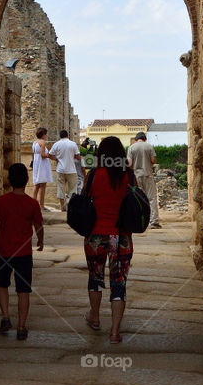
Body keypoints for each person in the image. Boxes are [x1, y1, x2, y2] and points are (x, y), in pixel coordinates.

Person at [82, 135, 135, 343]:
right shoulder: (128, 176)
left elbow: (84, 198)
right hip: (121, 237)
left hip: (96, 235)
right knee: (118, 282)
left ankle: (94, 316)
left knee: (95, 278)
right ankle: (114, 331)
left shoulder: (94, 174)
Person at [0, 162, 44, 340]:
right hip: (24, 253)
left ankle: (5, 316)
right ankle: (21, 326)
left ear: (9, 180)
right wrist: (40, 240)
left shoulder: (2, 201)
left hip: (5, 251)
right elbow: (38, 226)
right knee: (23, 290)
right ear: (26, 180)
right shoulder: (32, 204)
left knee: (2, 284)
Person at [128, 131, 161, 229]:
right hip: (147, 175)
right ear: (144, 138)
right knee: (151, 198)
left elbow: (129, 164)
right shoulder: (149, 146)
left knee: (137, 198)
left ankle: (137, 220)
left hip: (136, 176)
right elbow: (153, 160)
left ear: (136, 139)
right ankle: (154, 221)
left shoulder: (131, 148)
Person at [48, 129, 81, 211]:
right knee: (73, 189)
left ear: (60, 136)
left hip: (60, 169)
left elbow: (49, 155)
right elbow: (78, 157)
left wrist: (56, 159)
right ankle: (71, 207)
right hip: (71, 170)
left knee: (61, 188)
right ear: (67, 135)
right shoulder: (73, 144)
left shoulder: (56, 144)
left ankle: (62, 207)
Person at [31, 126, 53, 209]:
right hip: (42, 164)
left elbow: (33, 154)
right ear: (43, 134)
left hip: (36, 163)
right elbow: (43, 155)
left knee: (37, 185)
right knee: (43, 185)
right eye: (45, 134)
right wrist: (50, 155)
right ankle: (41, 205)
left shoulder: (34, 143)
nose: (46, 136)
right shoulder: (42, 142)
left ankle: (33, 203)